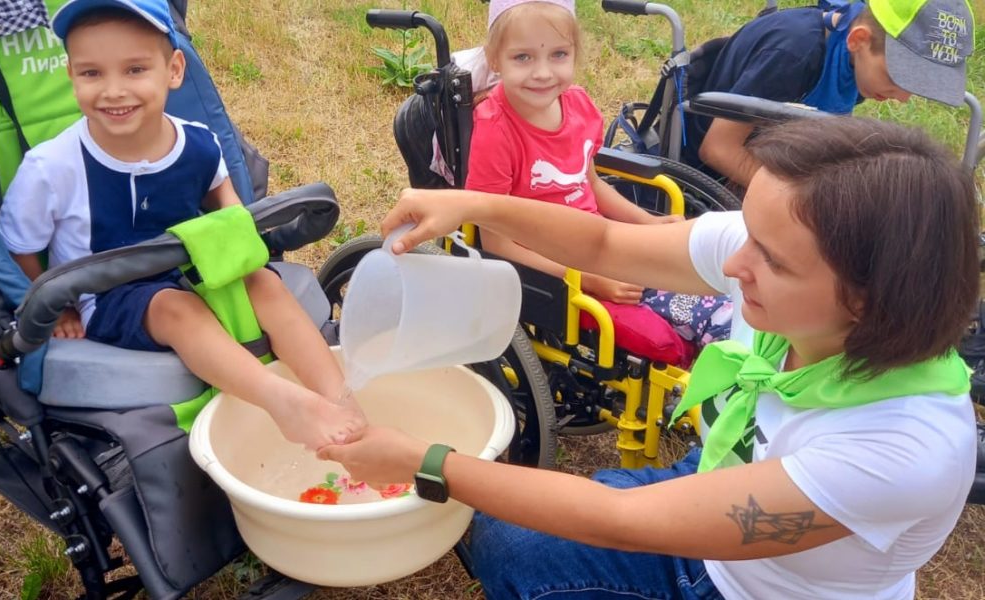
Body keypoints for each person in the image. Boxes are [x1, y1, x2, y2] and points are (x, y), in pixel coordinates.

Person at [320, 117, 979, 599]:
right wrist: (473, 204)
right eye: (747, 233)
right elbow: (608, 242)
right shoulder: (789, 252)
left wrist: (426, 461)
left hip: (770, 589)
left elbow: (626, 524)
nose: (735, 263)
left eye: (770, 261)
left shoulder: (902, 449)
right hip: (723, 471)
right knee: (506, 543)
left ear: (867, 303)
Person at [0, 0, 366, 450]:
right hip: (109, 295)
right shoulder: (51, 168)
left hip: (194, 268)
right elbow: (19, 248)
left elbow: (234, 224)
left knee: (264, 283)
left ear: (173, 70)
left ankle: (344, 401)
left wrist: (248, 262)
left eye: (135, 70)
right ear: (72, 76)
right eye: (92, 73)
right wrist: (56, 306)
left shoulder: (199, 144)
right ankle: (282, 401)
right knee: (176, 309)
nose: (113, 90)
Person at [469, 0, 731, 354]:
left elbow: (589, 183)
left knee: (718, 287)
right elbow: (497, 244)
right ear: (494, 58)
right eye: (523, 57)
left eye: (559, 54)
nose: (544, 73)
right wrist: (589, 280)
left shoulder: (577, 104)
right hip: (558, 271)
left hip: (602, 242)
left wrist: (646, 224)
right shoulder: (495, 129)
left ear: (575, 52)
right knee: (675, 338)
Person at [686, 0, 975, 188]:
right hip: (709, 177)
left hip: (774, 153)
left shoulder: (853, 59)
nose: (902, 98)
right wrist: (798, 199)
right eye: (897, 78)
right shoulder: (793, 54)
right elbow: (717, 149)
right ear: (858, 40)